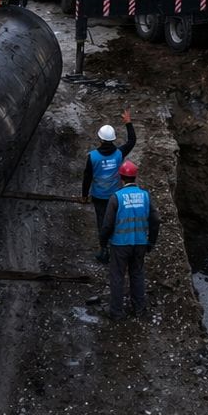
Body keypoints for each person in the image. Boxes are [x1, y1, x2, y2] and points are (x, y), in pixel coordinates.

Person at [99, 159, 159, 320]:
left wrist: (103, 243)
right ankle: (139, 309)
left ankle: (116, 313)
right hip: (140, 243)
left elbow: (107, 225)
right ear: (135, 177)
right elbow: (156, 220)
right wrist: (151, 241)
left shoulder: (116, 198)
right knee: (137, 274)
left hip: (120, 244)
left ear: (121, 177)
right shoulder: (145, 196)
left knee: (117, 277)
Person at [81, 110, 136, 263]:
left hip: (99, 196)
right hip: (115, 196)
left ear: (100, 138)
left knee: (102, 222)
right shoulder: (119, 153)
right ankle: (117, 248)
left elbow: (87, 177)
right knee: (115, 220)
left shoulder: (92, 157)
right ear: (113, 139)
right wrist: (128, 122)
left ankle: (104, 250)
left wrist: (84, 195)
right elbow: (132, 141)